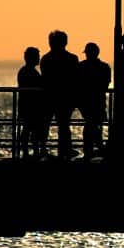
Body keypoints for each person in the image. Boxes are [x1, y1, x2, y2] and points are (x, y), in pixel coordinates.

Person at [40, 29, 80, 159]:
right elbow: (74, 79)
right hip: (65, 97)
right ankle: (65, 149)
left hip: (49, 96)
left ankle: (42, 148)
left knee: (45, 124)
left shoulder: (46, 59)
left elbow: (45, 78)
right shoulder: (72, 59)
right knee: (64, 125)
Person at [76, 42, 111, 159]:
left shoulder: (81, 67)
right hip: (98, 100)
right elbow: (106, 85)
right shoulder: (105, 67)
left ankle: (90, 150)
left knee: (90, 126)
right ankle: (98, 148)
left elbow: (78, 84)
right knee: (96, 125)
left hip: (86, 102)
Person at [16, 47, 45, 158]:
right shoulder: (30, 72)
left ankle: (27, 151)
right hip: (31, 105)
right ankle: (31, 151)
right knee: (31, 129)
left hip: (26, 104)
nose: (39, 58)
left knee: (28, 129)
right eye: (37, 56)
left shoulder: (24, 71)